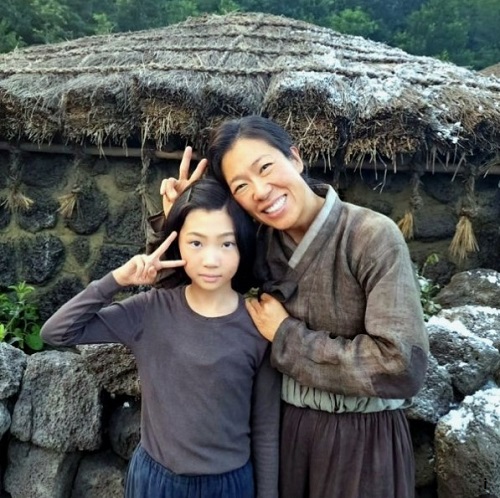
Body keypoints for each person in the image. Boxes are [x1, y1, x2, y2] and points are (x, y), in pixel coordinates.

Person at [151, 117, 429, 498]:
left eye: (265, 167)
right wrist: (183, 221)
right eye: (241, 186)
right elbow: (186, 296)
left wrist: (286, 337)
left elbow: (401, 366)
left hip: (363, 442)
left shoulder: (371, 236)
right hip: (286, 436)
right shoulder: (261, 245)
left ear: (295, 158)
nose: (260, 191)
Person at [41, 177, 281, 498]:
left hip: (228, 484)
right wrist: (117, 280)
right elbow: (57, 331)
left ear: (243, 245)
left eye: (226, 243)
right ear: (177, 243)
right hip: (156, 482)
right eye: (196, 243)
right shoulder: (150, 310)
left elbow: (265, 428)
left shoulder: (259, 324)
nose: (211, 260)